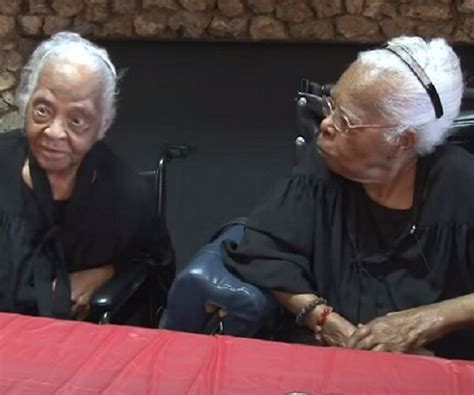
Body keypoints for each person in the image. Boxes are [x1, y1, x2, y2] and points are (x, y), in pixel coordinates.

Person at [223, 36, 474, 360]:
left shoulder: (461, 183)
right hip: (329, 358)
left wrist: (429, 320)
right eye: (332, 106)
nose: (326, 124)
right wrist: (327, 321)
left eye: (346, 120)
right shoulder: (322, 171)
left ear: (401, 140)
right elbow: (267, 254)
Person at [0, 32, 175, 321]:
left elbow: (155, 270)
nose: (54, 132)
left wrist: (108, 271)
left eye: (77, 120)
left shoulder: (127, 197)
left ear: (102, 125)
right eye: (42, 110)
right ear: (26, 101)